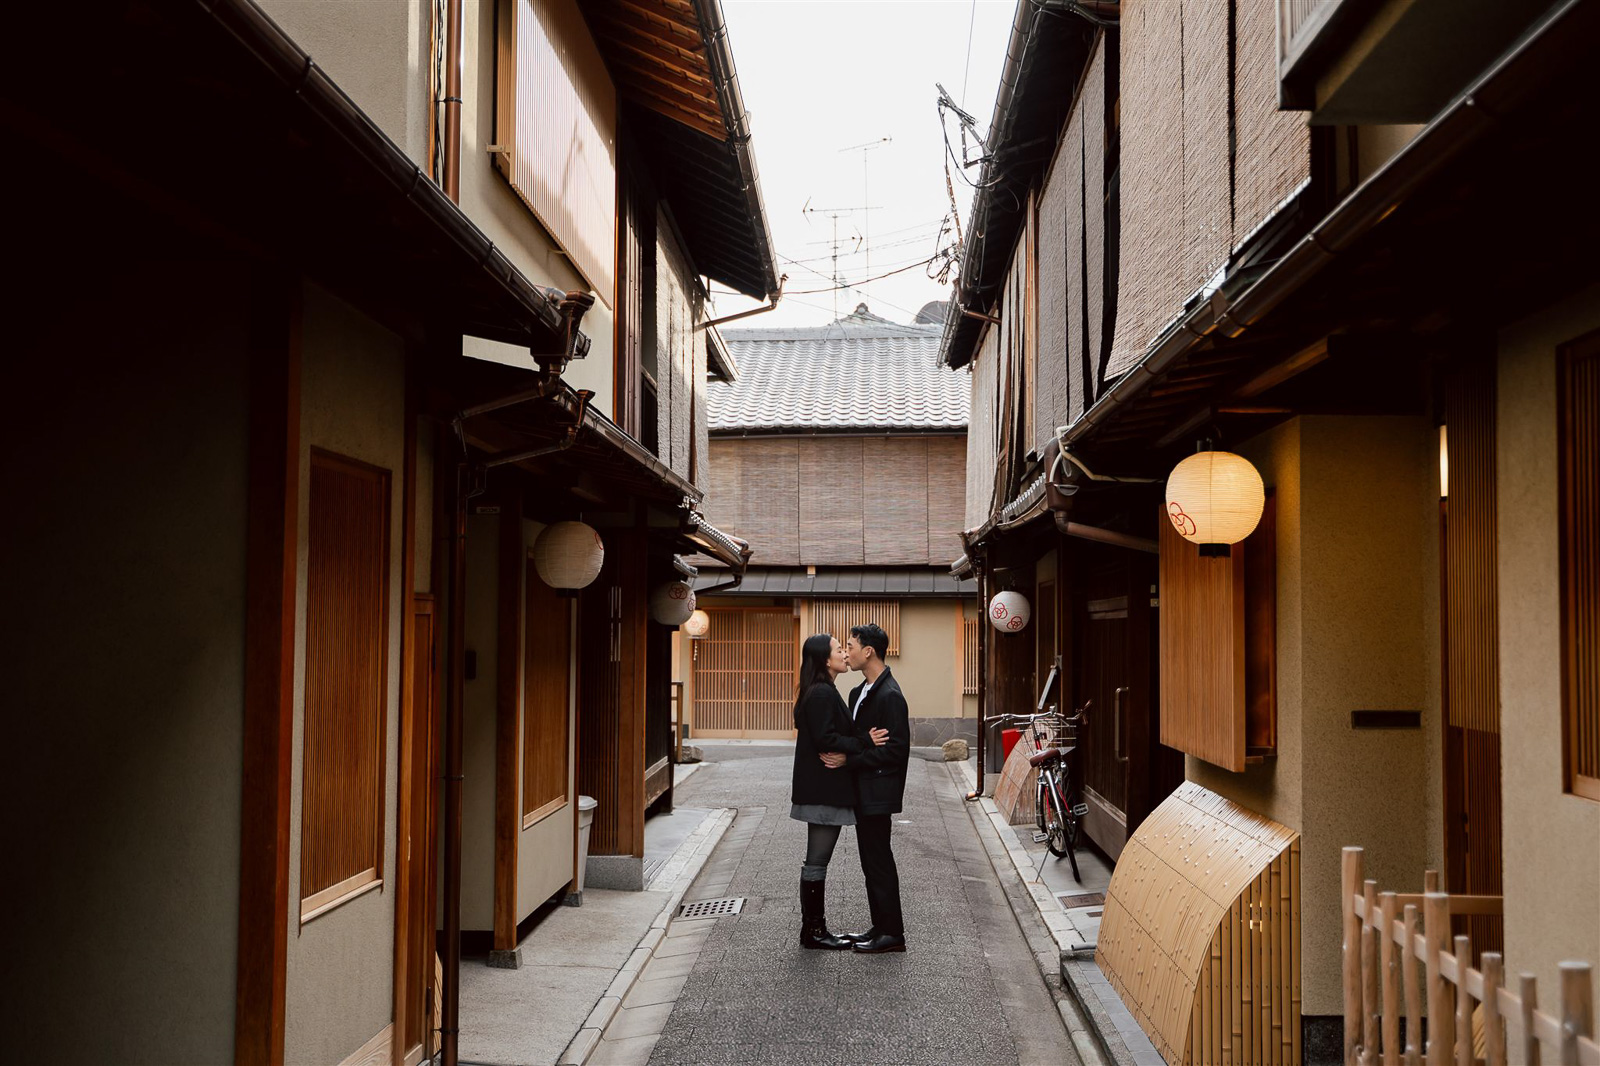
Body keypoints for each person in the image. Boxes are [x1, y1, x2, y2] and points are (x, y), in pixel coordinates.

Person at [789, 633, 887, 950]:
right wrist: (864, 742)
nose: (844, 654)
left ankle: (814, 930)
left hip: (824, 788)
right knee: (816, 862)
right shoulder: (820, 693)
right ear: (823, 659)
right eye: (838, 649)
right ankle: (814, 932)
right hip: (822, 789)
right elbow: (825, 739)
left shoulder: (824, 690)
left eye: (846, 648)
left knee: (817, 861)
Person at [824, 622, 911, 954]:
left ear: (868, 651)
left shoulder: (890, 695)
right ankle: (880, 926)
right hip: (862, 790)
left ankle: (893, 933)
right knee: (870, 861)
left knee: (879, 860)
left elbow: (895, 750)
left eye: (850, 645)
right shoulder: (858, 691)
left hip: (878, 791)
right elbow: (861, 740)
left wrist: (850, 760)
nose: (846, 652)